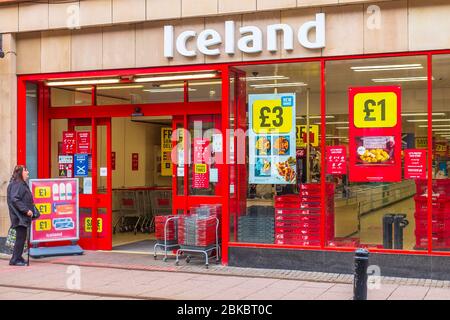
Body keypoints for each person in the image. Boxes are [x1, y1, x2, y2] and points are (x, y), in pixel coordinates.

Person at [7, 165, 34, 266]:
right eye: (26, 171)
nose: (27, 173)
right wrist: (26, 210)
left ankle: (17, 257)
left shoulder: (19, 183)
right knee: (20, 238)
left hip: (20, 216)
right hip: (19, 216)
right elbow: (15, 199)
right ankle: (15, 259)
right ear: (21, 172)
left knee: (21, 238)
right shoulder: (18, 184)